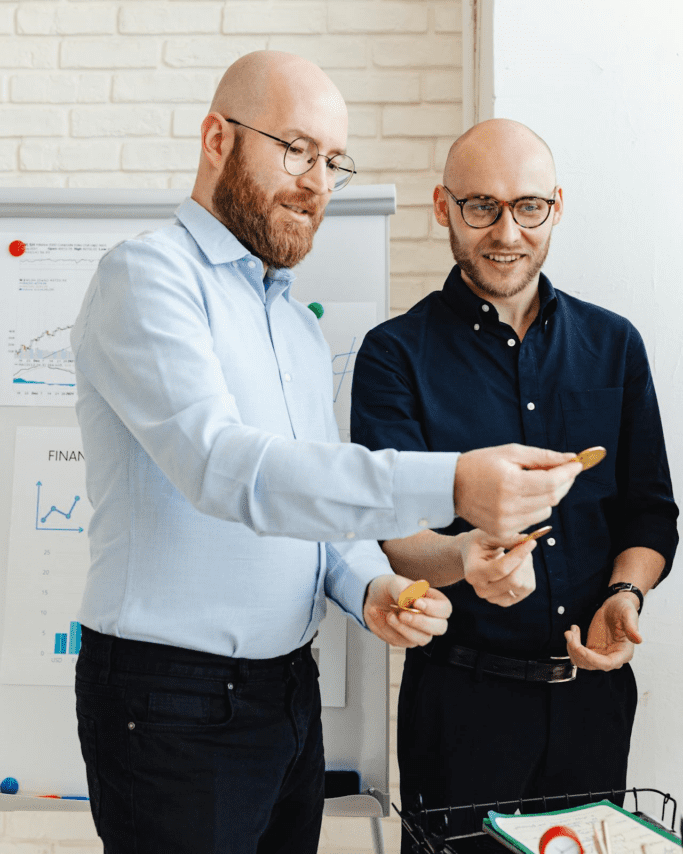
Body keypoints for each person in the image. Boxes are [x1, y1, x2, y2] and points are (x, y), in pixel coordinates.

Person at [71, 59, 582, 854]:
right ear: (216, 139)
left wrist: (371, 585)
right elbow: (225, 469)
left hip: (285, 695)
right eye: (296, 150)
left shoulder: (294, 326)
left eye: (333, 162)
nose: (317, 183)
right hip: (171, 699)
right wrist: (451, 480)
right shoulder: (148, 279)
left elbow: (313, 510)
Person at [351, 118, 679, 845]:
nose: (507, 231)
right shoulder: (392, 356)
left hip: (592, 698)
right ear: (443, 208)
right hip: (459, 704)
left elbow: (651, 516)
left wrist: (625, 595)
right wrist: (464, 557)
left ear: (555, 207)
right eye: (480, 207)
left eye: (528, 206)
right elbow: (394, 541)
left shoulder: (613, 344)